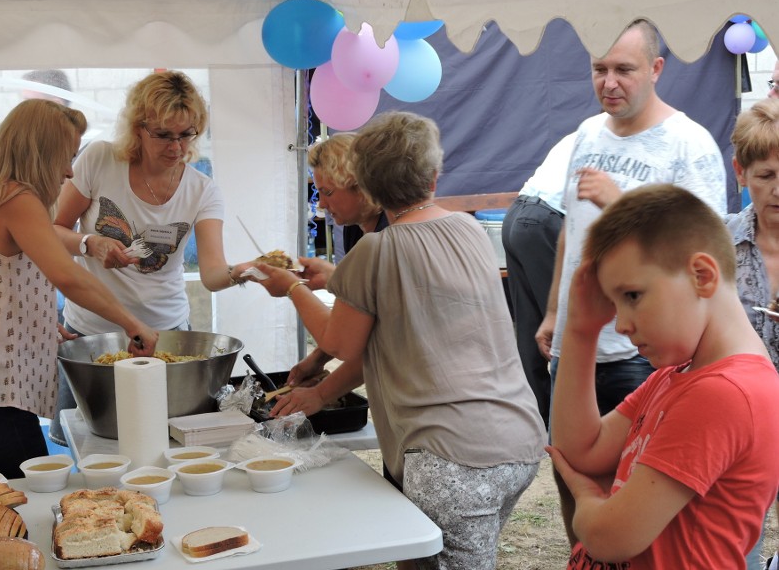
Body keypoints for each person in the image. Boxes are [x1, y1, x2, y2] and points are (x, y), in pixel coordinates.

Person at [253, 111, 546, 570]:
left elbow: (343, 342)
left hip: (451, 460)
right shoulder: (468, 228)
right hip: (519, 440)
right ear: (434, 173)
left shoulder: (376, 250)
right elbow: (403, 319)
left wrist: (291, 288)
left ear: (366, 182)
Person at [535, 19, 728, 547]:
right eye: (599, 69)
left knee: (630, 502)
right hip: (576, 350)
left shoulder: (689, 145)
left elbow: (704, 256)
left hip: (644, 356)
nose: (609, 82)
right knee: (571, 477)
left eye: (624, 69)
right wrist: (556, 310)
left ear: (656, 69)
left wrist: (621, 203)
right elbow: (571, 235)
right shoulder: (586, 134)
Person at [547, 183, 779, 568]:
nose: (620, 323)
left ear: (702, 275)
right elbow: (583, 450)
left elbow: (610, 537)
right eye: (614, 302)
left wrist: (587, 498)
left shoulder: (725, 394)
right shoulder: (677, 376)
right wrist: (580, 331)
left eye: (633, 296)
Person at [0, 99, 159, 479]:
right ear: (39, 153)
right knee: (37, 501)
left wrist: (39, 320)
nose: (69, 171)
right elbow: (67, 277)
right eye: (65, 157)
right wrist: (132, 323)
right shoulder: (18, 198)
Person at [49, 70, 253, 446]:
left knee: (167, 443)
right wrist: (89, 242)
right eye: (163, 135)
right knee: (88, 444)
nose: (176, 147)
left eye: (186, 134)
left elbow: (211, 274)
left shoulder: (202, 191)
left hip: (166, 337)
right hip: (94, 334)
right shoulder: (99, 160)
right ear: (138, 128)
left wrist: (246, 271)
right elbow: (52, 230)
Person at [269, 132, 388, 420]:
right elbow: (359, 313)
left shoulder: (386, 238)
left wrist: (293, 286)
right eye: (318, 192)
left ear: (361, 187)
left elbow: (353, 341)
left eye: (329, 192)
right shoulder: (355, 228)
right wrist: (316, 359)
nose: (321, 204)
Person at [725, 99, 779, 570]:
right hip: (741, 426)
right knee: (740, 543)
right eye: (767, 175)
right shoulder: (718, 244)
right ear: (741, 173)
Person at [501, 131, 575, 427]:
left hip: (518, 213)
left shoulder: (583, 134)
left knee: (530, 325)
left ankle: (537, 418)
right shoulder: (607, 138)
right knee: (563, 330)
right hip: (545, 218)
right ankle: (563, 419)